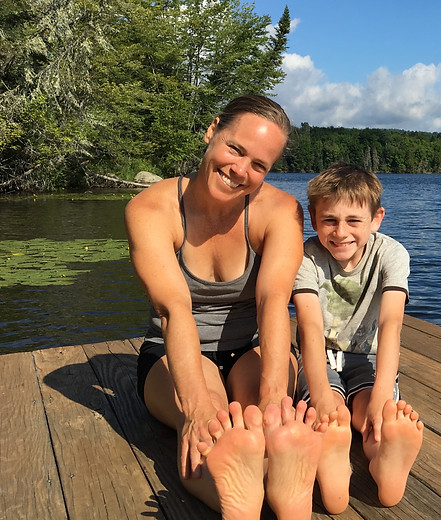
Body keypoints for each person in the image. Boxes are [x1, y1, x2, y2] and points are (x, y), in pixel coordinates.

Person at [125, 94, 324, 520]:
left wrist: (273, 399)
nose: (241, 171)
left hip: (252, 347)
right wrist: (195, 408)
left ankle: (274, 479)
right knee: (211, 424)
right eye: (236, 149)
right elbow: (173, 309)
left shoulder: (280, 211)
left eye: (259, 165)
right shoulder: (151, 209)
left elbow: (273, 302)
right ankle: (242, 500)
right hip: (174, 351)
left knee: (265, 423)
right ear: (212, 130)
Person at [292, 162, 424, 512]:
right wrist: (320, 395)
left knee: (371, 415)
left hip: (369, 356)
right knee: (330, 412)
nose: (340, 232)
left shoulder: (391, 254)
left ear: (376, 218)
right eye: (329, 220)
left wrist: (383, 393)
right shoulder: (305, 256)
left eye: (354, 221)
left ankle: (383, 460)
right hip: (319, 355)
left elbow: (391, 322)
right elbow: (308, 326)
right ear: (313, 216)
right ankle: (332, 454)